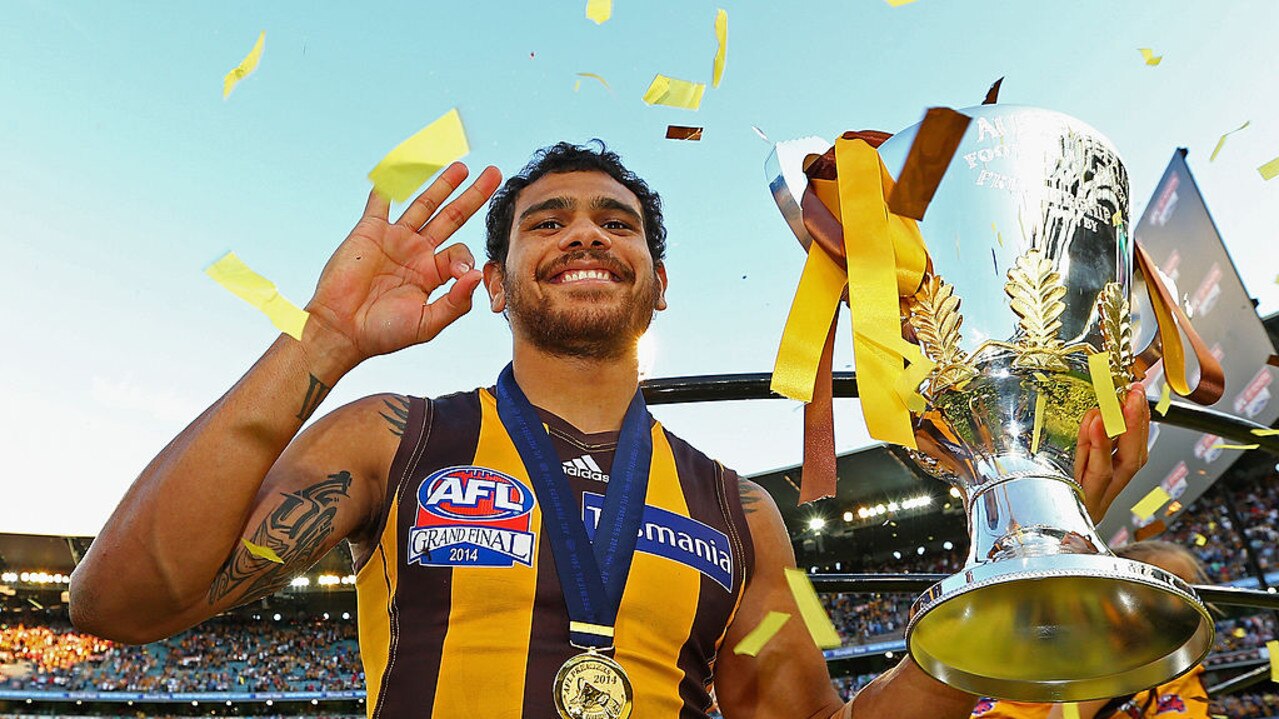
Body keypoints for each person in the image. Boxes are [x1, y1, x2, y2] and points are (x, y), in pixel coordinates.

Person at [68, 141, 1151, 718]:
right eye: (546, 220)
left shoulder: (744, 511)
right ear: (492, 281)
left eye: (613, 221)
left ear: (659, 283)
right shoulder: (390, 436)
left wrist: (1024, 574)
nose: (581, 231)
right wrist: (323, 339)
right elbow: (118, 601)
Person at [970, 540, 1212, 719]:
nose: (1183, 595)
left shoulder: (1179, 669)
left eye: (1190, 584)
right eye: (1169, 580)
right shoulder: (1042, 651)